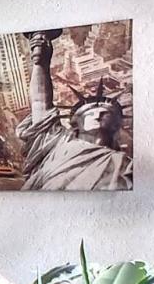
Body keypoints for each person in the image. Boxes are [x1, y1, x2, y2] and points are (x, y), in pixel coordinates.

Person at [15, 29, 132, 190]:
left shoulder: (125, 165)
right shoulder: (58, 143)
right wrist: (41, 61)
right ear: (76, 123)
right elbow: (39, 102)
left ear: (116, 125)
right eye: (90, 112)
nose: (98, 114)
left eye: (106, 113)